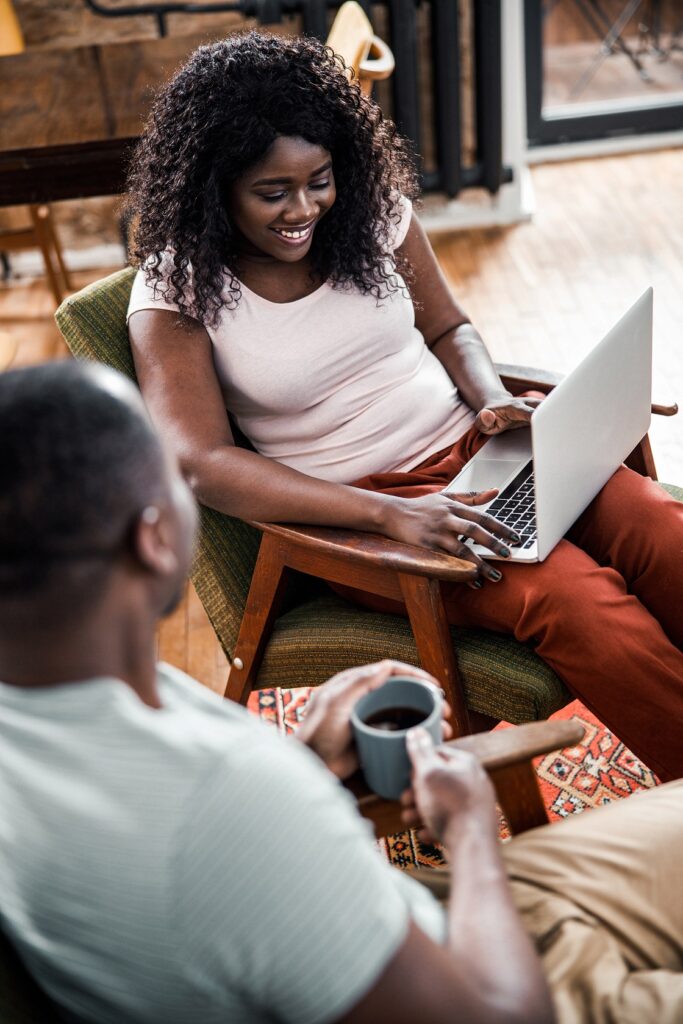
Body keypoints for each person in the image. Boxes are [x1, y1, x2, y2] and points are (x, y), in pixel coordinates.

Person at [1, 360, 683, 1024]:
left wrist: (305, 763)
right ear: (152, 538)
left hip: (369, 931)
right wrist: (473, 831)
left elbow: (211, 871)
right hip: (495, 974)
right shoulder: (229, 796)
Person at [125, 32, 683, 784]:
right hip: (363, 509)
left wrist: (490, 402)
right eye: (272, 193)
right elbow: (200, 465)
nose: (304, 210)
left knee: (658, 527)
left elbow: (449, 328)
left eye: (318, 180)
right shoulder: (177, 289)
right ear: (212, 188)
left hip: (479, 457)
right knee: (570, 597)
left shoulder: (368, 213)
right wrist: (387, 515)